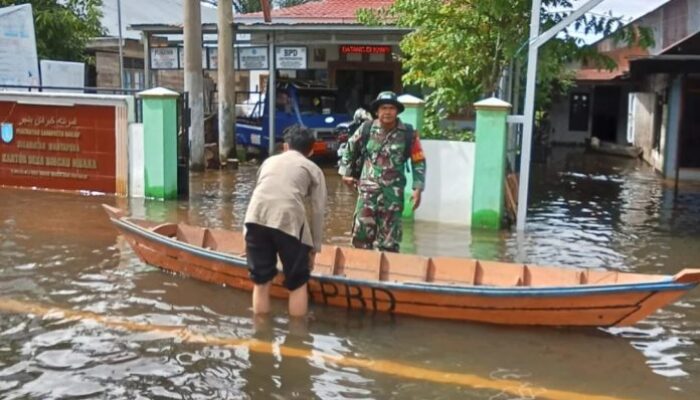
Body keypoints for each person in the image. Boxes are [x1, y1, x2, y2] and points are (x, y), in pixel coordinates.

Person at [244, 124, 327, 317]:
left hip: (254, 218)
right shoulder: (313, 169)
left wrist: (245, 234)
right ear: (312, 151)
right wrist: (314, 248)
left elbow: (262, 194)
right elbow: (318, 211)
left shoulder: (268, 162)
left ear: (285, 146)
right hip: (287, 221)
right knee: (298, 283)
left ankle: (261, 335)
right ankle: (297, 338)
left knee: (261, 281)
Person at [338, 91, 426, 253]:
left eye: (391, 108)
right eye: (383, 108)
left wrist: (417, 188)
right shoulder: (366, 128)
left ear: (397, 111)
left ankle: (387, 275)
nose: (387, 112)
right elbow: (349, 148)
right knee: (361, 236)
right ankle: (360, 271)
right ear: (377, 111)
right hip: (367, 193)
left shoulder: (408, 134)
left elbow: (418, 161)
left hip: (392, 196)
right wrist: (346, 173)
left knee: (390, 242)